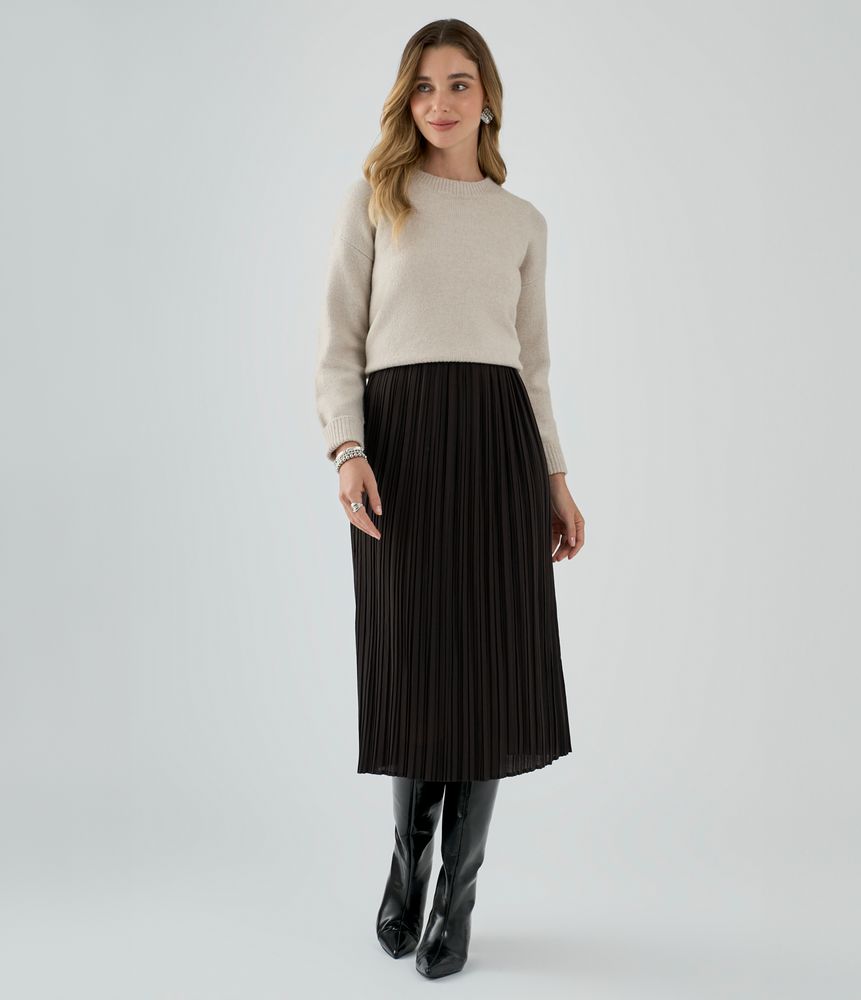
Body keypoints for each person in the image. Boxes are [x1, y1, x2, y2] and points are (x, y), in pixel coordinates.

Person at [313, 18, 585, 979]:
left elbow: (534, 367)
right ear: (407, 98)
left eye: (459, 84)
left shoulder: (522, 223)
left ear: (487, 99)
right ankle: (407, 865)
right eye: (424, 86)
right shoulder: (375, 199)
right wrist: (348, 447)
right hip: (402, 449)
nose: (440, 102)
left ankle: (455, 899)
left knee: (488, 677)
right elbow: (340, 344)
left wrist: (556, 480)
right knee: (415, 668)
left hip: (499, 450)